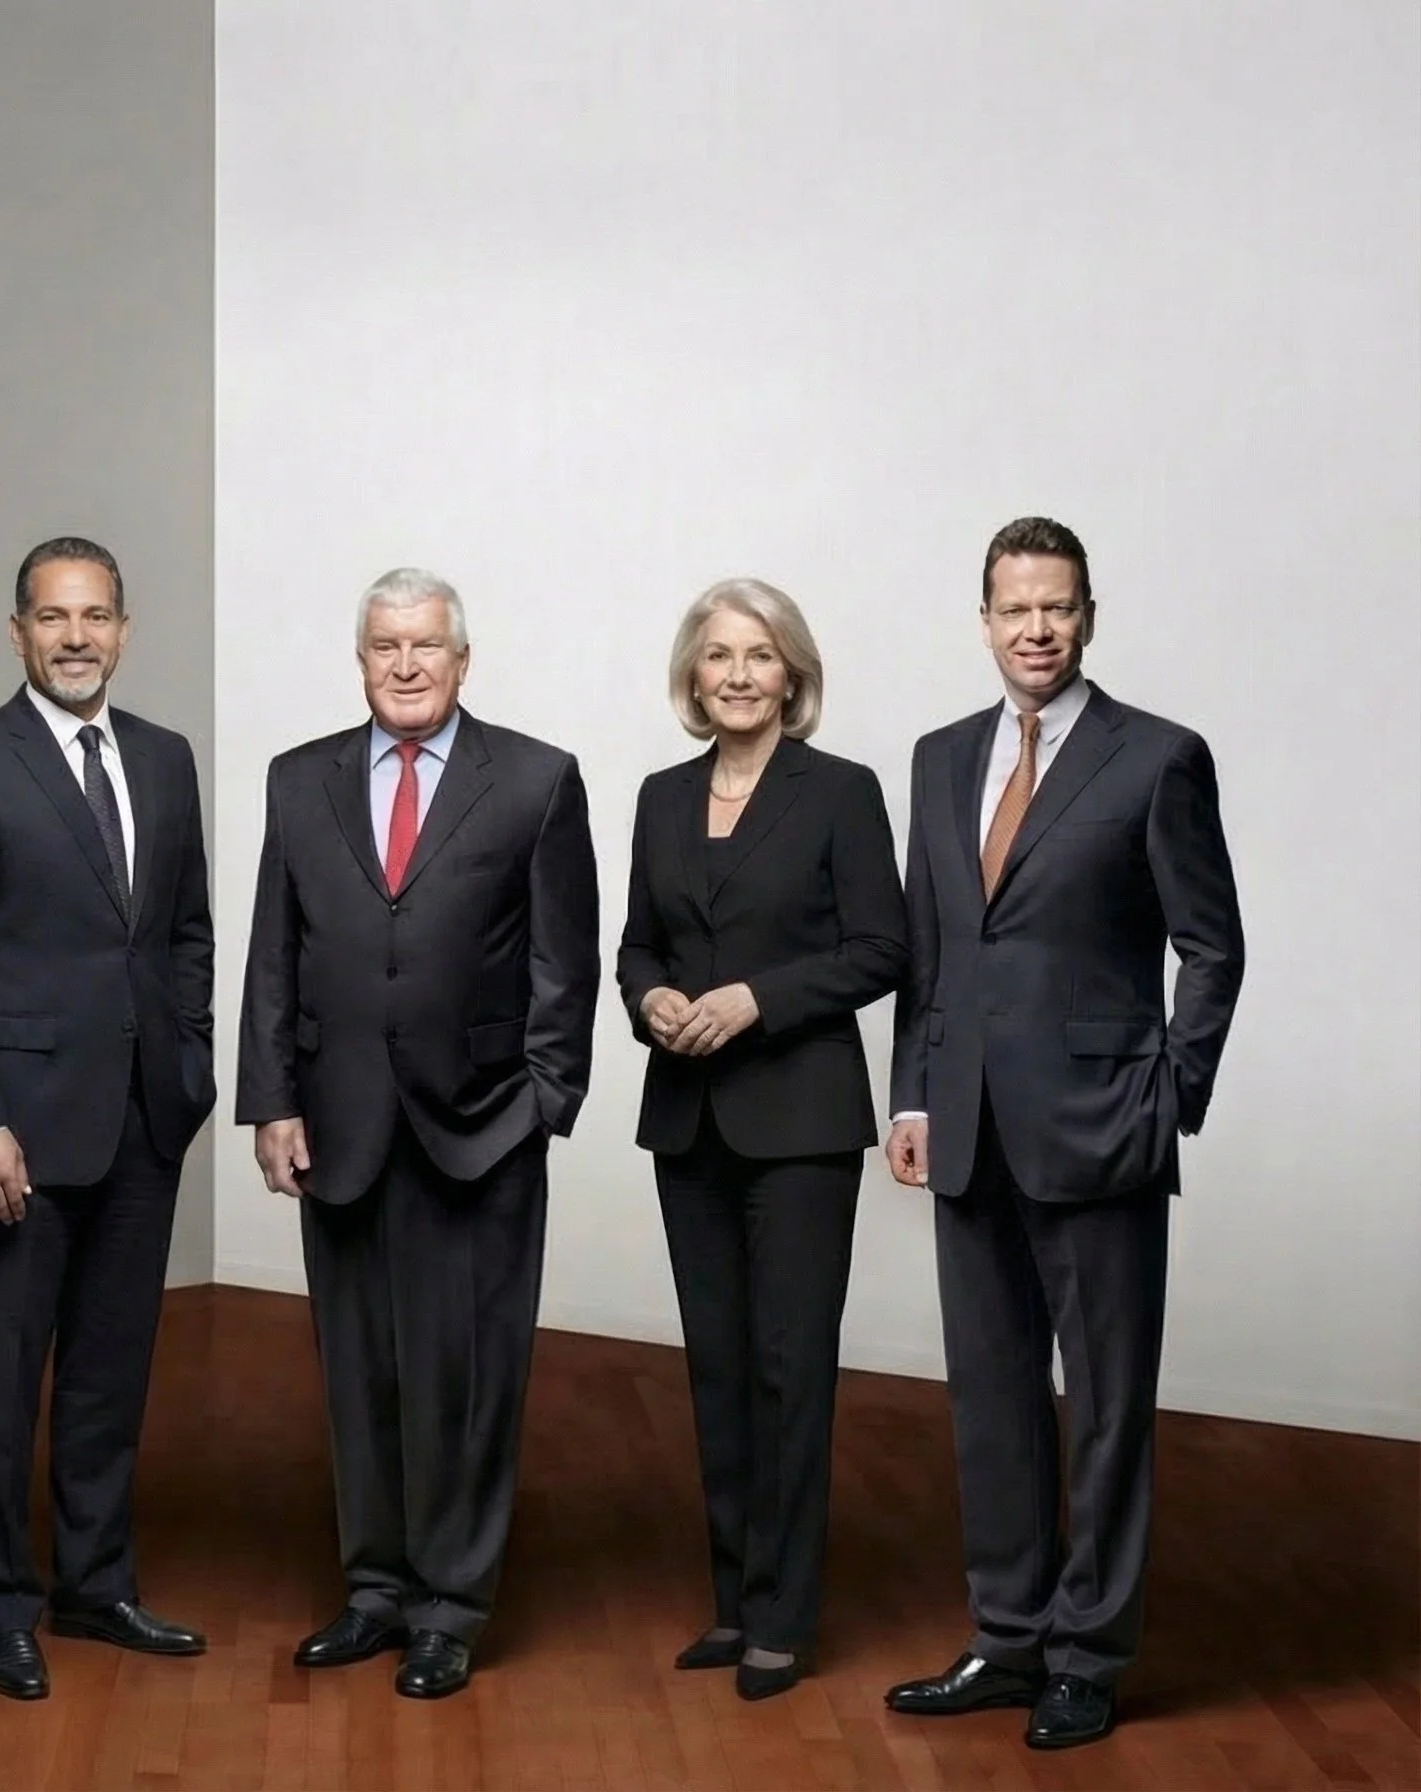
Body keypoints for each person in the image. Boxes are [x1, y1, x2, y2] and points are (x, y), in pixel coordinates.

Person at [882, 518, 1244, 1750]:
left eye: (1059, 607)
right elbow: (931, 949)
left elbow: (1213, 945)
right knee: (991, 1401)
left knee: (1103, 1407)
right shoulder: (937, 760)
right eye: (1015, 608)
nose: (1037, 629)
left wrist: (1167, 1093)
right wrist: (913, 1096)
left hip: (1103, 1132)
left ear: (1089, 616)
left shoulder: (1156, 759)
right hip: (968, 1127)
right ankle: (1008, 1634)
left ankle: (1089, 1655)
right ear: (982, 618)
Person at [237, 567, 599, 1699]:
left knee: (468, 1376)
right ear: (360, 659)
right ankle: (376, 1590)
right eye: (386, 646)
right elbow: (272, 953)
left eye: (426, 646)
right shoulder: (300, 780)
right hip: (339, 1126)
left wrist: (544, 1099)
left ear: (462, 659)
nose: (405, 665)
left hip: (481, 1127)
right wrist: (272, 1100)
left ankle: (452, 1603)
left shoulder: (536, 780)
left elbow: (565, 959)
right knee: (361, 1371)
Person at [0, 537, 217, 1701]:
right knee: (1, 1374)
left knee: (108, 1370)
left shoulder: (166, 758)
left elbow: (184, 931)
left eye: (95, 616)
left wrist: (188, 1065)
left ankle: (95, 1583)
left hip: (143, 1117)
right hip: (18, 1131)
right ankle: (0, 1605)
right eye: (52, 617)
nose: (75, 636)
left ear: (124, 629)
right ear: (17, 632)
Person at [616, 580, 906, 1701]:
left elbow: (882, 946)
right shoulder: (659, 796)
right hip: (688, 1115)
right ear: (694, 676)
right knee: (719, 1367)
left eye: (761, 655)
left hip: (798, 1119)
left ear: (794, 674)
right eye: (718, 655)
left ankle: (788, 1613)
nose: (738, 673)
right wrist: (649, 1001)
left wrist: (755, 999)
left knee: (790, 1369)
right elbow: (635, 943)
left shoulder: (839, 793)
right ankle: (736, 1602)